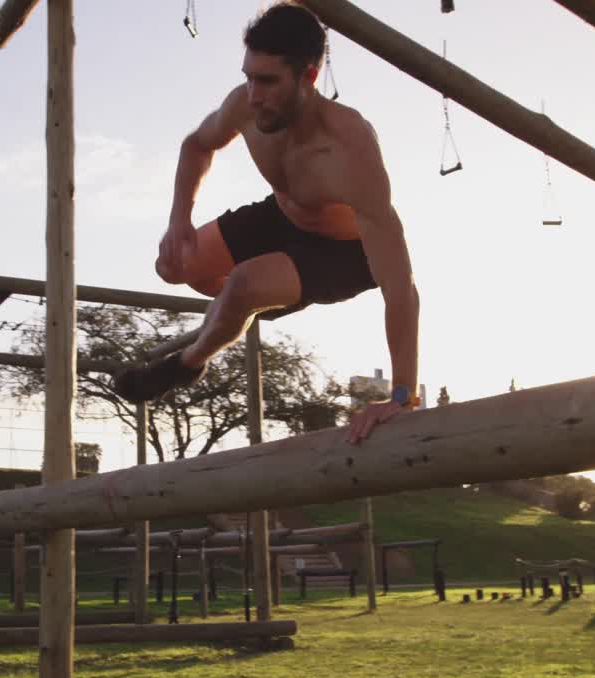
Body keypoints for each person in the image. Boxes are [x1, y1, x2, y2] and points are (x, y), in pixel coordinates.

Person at [112, 2, 419, 445]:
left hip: (342, 252)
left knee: (242, 285)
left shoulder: (348, 148)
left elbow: (401, 287)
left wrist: (402, 394)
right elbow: (197, 145)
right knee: (174, 266)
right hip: (281, 216)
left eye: (269, 80)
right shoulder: (245, 107)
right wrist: (179, 218)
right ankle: (258, 301)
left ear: (309, 78)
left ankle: (189, 362)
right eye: (249, 76)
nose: (254, 94)